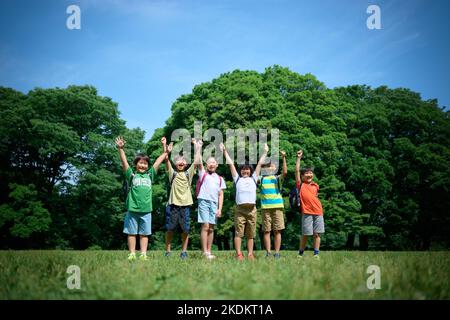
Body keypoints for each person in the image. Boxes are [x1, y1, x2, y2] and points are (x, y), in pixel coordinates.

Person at [115, 136, 168, 261]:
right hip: (132, 209)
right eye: (141, 163)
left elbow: (158, 162)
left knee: (144, 234)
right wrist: (121, 149)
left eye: (145, 163)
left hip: (146, 210)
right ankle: (132, 253)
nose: (143, 165)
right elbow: (124, 163)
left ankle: (143, 254)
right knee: (131, 233)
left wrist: (165, 149)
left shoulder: (150, 174)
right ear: (136, 164)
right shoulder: (131, 174)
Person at [220, 142, 265, 260]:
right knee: (238, 232)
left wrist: (265, 152)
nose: (245, 171)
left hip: (252, 210)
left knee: (251, 233)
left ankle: (250, 254)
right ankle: (239, 254)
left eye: (247, 169)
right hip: (240, 209)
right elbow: (230, 165)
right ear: (240, 171)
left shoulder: (254, 179)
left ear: (250, 171)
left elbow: (260, 164)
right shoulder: (237, 179)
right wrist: (224, 151)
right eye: (243, 169)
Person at [162, 137, 197, 259]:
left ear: (186, 163)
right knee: (170, 229)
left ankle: (184, 252)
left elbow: (197, 161)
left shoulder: (189, 174)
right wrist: (165, 147)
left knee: (185, 230)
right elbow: (166, 160)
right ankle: (168, 251)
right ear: (175, 163)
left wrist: (197, 146)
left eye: (183, 161)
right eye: (178, 161)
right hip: (172, 205)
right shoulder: (173, 173)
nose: (181, 162)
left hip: (185, 206)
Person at [195, 140, 226, 259]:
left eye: (214, 162)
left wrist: (220, 209)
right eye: (209, 162)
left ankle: (209, 251)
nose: (212, 164)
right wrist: (198, 148)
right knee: (205, 226)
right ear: (206, 165)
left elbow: (220, 195)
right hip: (203, 201)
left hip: (214, 204)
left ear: (217, 165)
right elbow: (198, 161)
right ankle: (204, 252)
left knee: (212, 228)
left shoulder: (220, 179)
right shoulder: (203, 173)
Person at [295, 149, 324, 259]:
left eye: (310, 173)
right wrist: (298, 158)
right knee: (306, 234)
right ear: (302, 176)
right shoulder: (300, 185)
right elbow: (297, 171)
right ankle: (300, 253)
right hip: (306, 212)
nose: (309, 174)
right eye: (306, 173)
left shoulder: (316, 186)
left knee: (317, 234)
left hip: (318, 211)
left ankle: (316, 254)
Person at [259, 146, 287, 259]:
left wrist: (283, 158)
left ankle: (277, 253)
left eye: (272, 165)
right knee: (266, 231)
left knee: (277, 230)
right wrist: (265, 152)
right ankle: (268, 253)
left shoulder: (277, 178)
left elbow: (285, 172)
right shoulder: (260, 179)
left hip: (277, 207)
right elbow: (259, 165)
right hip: (265, 208)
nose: (270, 167)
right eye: (267, 166)